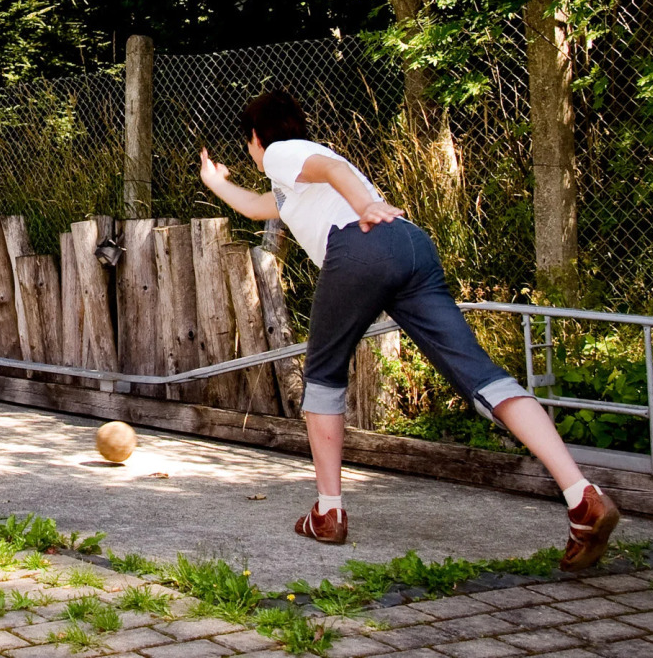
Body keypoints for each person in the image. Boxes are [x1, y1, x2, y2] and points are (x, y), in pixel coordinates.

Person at [198, 89, 620, 571]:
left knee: (323, 376)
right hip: (413, 248)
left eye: (249, 143)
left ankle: (329, 511)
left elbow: (332, 173)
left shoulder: (282, 152)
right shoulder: (294, 186)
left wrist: (366, 207)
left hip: (364, 243)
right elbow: (256, 207)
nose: (252, 153)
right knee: (480, 376)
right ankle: (581, 495)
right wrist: (216, 183)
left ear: (256, 137)